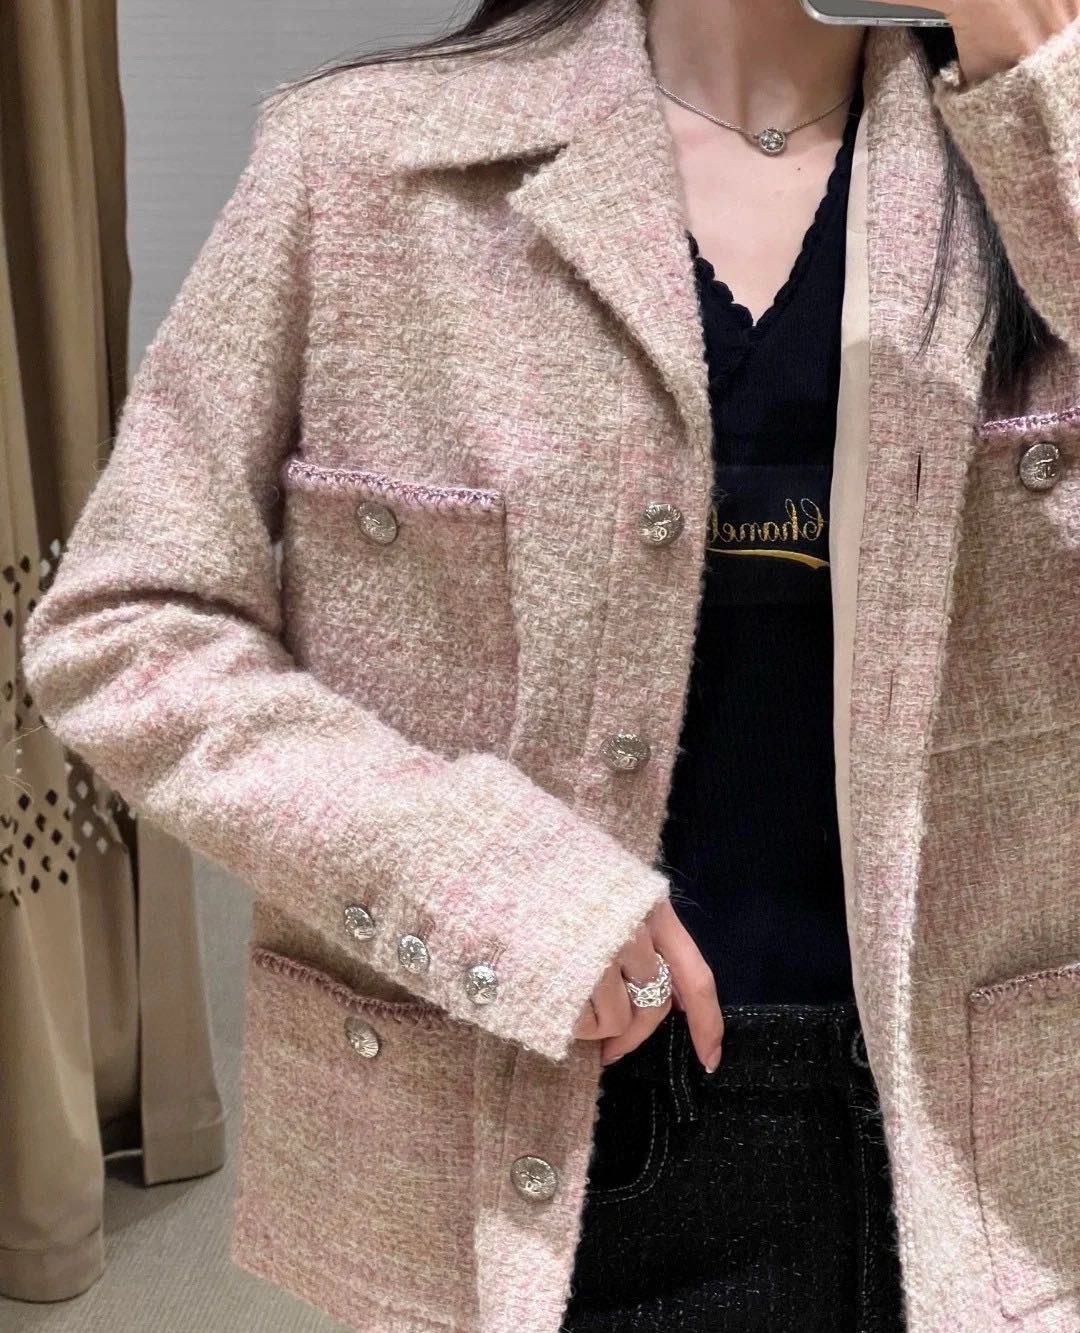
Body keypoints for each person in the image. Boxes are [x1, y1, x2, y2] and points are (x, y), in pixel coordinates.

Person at [19, 1, 1080, 1331]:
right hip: (529, 1117)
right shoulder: (368, 163)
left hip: (995, 1152)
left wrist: (1041, 91)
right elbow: (127, 625)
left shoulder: (1030, 143)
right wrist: (492, 884)